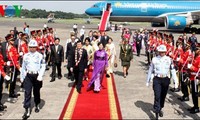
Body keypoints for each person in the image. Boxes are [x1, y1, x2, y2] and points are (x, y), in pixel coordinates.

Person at [146, 44, 178, 119]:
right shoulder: (154, 59)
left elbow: (172, 71)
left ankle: (160, 107)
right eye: (160, 52)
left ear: (165, 52)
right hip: (157, 79)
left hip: (165, 79)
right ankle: (157, 112)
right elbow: (150, 70)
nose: (161, 53)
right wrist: (148, 80)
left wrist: (175, 81)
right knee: (157, 95)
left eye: (163, 52)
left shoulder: (169, 59)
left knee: (163, 96)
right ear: (158, 52)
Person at [20, 40, 46, 119]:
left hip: (37, 75)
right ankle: (27, 109)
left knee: (36, 92)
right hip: (28, 75)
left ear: (36, 47)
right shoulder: (26, 56)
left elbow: (43, 66)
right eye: (30, 47)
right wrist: (22, 77)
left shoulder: (40, 55)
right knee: (27, 92)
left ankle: (37, 104)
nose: (32, 49)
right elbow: (23, 67)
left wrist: (40, 76)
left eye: (33, 47)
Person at [187, 48, 200, 114]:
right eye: (195, 49)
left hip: (196, 78)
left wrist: (192, 67)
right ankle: (195, 106)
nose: (196, 51)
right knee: (193, 93)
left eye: (197, 49)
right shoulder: (194, 57)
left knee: (195, 94)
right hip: (192, 77)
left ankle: (197, 107)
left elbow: (198, 70)